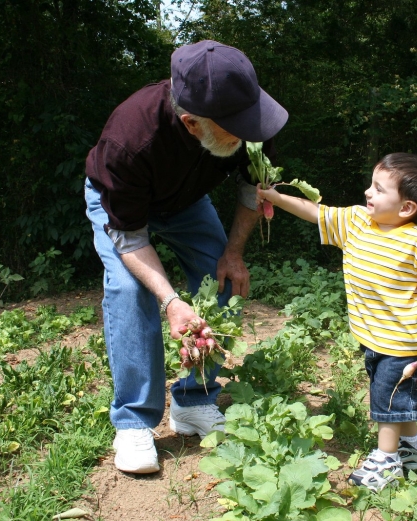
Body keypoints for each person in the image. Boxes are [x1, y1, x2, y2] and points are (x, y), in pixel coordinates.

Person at [84, 40, 288, 474]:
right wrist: (171, 300)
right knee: (129, 289)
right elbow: (129, 234)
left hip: (185, 201)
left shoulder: (249, 115)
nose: (251, 132)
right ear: (192, 123)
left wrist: (233, 252)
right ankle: (134, 423)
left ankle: (194, 400)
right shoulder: (130, 138)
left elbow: (255, 188)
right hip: (121, 207)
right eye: (235, 129)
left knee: (220, 276)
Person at [257, 152, 417, 492]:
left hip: (401, 343)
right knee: (400, 399)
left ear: (407, 208)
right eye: (371, 184)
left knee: (385, 401)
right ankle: (411, 448)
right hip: (373, 339)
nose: (368, 192)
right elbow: (316, 212)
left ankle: (386, 460)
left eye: (379, 189)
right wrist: (276, 197)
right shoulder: (355, 222)